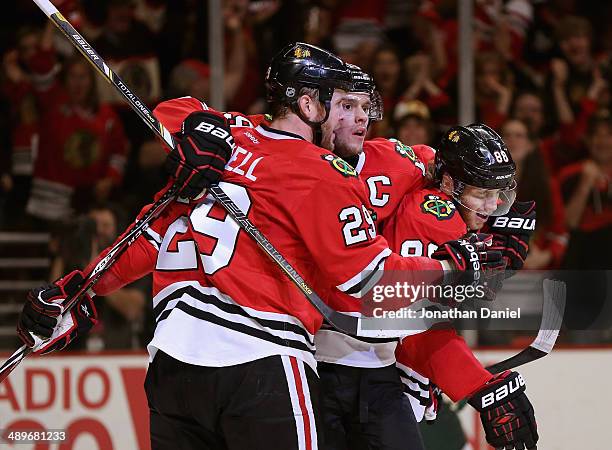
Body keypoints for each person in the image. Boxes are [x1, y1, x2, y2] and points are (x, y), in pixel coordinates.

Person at [17, 43, 492, 450]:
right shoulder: (318, 173)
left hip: (171, 363)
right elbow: (366, 287)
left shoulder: (226, 143)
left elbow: (153, 228)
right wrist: (456, 267)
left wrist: (78, 292)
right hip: (262, 361)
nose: (348, 117)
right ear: (309, 106)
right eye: (336, 103)